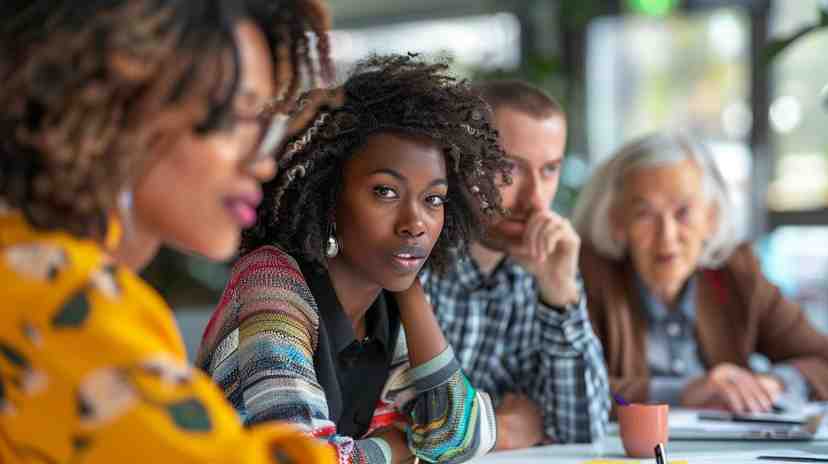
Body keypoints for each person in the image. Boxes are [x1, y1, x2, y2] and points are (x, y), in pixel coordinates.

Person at [0, 1, 338, 462]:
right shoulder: (63, 299)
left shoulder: (27, 267)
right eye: (239, 120)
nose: (261, 161)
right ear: (118, 107)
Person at [197, 55, 510, 464]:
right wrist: (394, 448)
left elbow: (460, 437)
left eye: (433, 199)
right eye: (385, 191)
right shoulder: (271, 286)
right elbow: (305, 459)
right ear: (331, 197)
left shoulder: (384, 303)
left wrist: (411, 288)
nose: (415, 223)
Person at [573, 132, 828, 413]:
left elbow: (822, 358)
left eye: (683, 212)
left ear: (711, 217)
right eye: (644, 214)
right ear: (616, 221)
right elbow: (571, 390)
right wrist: (683, 392)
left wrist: (773, 384)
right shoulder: (586, 277)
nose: (667, 237)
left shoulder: (738, 272)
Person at [420, 79, 610, 449]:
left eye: (550, 170)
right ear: (457, 160)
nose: (536, 199)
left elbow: (584, 432)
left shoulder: (542, 268)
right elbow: (397, 424)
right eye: (509, 168)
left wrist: (560, 295)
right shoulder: (411, 259)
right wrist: (500, 432)